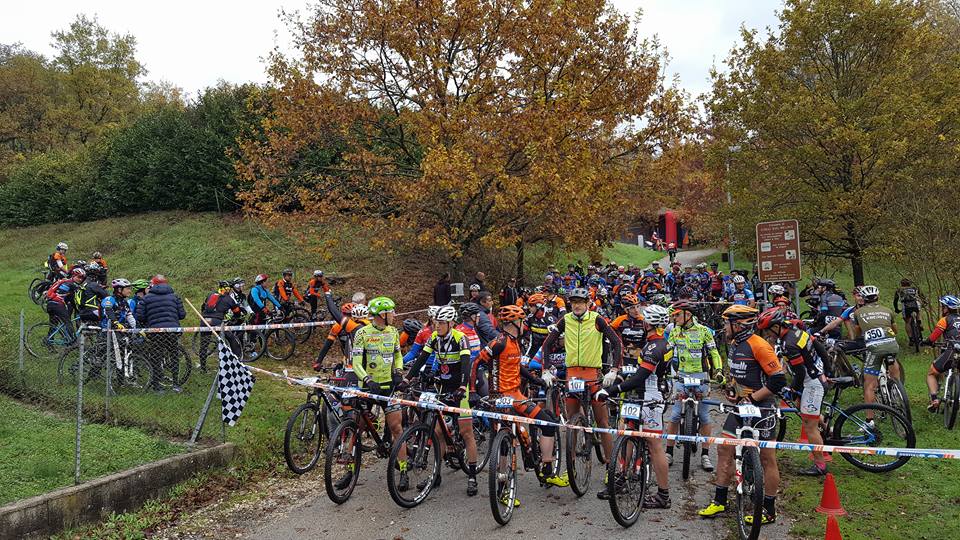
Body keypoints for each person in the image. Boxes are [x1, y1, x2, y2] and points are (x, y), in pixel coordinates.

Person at [698, 305, 786, 526]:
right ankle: (720, 500)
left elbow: (778, 381)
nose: (723, 327)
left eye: (726, 323)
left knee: (767, 458)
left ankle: (769, 509)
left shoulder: (759, 345)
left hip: (762, 407)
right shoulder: (735, 344)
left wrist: (753, 398)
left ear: (738, 325)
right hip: (741, 406)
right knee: (725, 448)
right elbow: (737, 373)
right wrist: (732, 388)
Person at [471, 305, 568, 492]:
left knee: (546, 422)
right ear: (515, 322)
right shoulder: (499, 342)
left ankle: (545, 470)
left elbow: (517, 366)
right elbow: (476, 362)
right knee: (511, 439)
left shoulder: (514, 341)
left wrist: (535, 380)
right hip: (502, 397)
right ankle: (505, 487)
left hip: (516, 395)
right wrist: (473, 391)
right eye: (522, 321)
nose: (524, 324)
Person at [540, 288, 622, 497]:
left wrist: (613, 369)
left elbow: (616, 342)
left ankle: (612, 469)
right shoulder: (565, 319)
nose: (576, 306)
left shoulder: (597, 319)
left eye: (580, 302)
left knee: (603, 423)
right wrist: (546, 369)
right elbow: (547, 344)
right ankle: (572, 467)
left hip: (593, 373)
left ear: (587, 303)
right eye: (573, 302)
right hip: (572, 375)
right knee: (571, 423)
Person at [594, 304, 672, 508]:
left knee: (654, 445)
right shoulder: (657, 342)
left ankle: (663, 495)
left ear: (650, 323)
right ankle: (621, 479)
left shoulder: (655, 347)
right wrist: (620, 375)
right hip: (640, 396)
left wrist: (611, 390)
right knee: (626, 435)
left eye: (645, 319)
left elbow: (640, 378)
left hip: (650, 399)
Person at [404, 305, 479, 495]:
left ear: (451, 323)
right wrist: (407, 379)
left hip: (459, 387)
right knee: (437, 433)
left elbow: (466, 365)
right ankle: (435, 475)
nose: (437, 326)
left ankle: (472, 475)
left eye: (441, 323)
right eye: (436, 322)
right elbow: (422, 358)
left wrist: (463, 387)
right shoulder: (434, 338)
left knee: (466, 432)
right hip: (442, 387)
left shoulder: (460, 338)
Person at [756, 307, 829, 476]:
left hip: (812, 384)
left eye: (767, 330)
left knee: (809, 426)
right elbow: (820, 349)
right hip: (818, 376)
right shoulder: (795, 329)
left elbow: (799, 373)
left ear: (776, 326)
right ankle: (828, 430)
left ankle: (820, 465)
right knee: (807, 412)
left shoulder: (789, 344)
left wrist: (794, 390)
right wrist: (828, 371)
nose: (767, 334)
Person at [350, 296, 407, 489]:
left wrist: (399, 372)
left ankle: (404, 471)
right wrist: (367, 379)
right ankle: (350, 471)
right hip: (368, 386)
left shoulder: (393, 332)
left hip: (389, 386)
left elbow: (398, 356)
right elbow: (356, 363)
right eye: (391, 311)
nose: (394, 315)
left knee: (397, 428)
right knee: (355, 428)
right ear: (382, 314)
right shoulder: (362, 333)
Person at [665, 300, 724, 472]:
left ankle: (705, 454)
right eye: (673, 315)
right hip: (682, 375)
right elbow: (668, 352)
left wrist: (719, 371)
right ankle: (668, 451)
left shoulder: (704, 331)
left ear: (688, 314)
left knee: (705, 417)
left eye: (677, 315)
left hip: (701, 376)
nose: (674, 318)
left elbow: (714, 352)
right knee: (675, 415)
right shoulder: (675, 331)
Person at [851, 285, 901, 421]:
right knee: (893, 360)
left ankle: (869, 420)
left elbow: (857, 333)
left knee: (869, 385)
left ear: (863, 299)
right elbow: (895, 330)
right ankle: (896, 387)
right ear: (877, 297)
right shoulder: (888, 310)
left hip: (874, 348)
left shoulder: (857, 313)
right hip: (892, 345)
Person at [137, 275, 187, 392]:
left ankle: (157, 386)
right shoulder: (175, 297)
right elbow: (182, 315)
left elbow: (140, 316)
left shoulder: (146, 299)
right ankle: (175, 384)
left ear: (152, 285)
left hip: (155, 332)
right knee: (174, 357)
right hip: (172, 332)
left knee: (156, 358)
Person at [922, 295, 960, 411]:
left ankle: (934, 399)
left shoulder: (945, 320)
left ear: (946, 308)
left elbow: (933, 337)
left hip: (952, 351)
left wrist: (926, 342)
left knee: (931, 373)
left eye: (943, 306)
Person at [313, 303, 369, 376]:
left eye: (350, 315)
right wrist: (318, 361)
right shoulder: (337, 327)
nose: (348, 317)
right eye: (346, 315)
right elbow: (327, 345)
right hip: (348, 357)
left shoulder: (360, 325)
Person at [198, 280, 244, 367]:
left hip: (204, 320)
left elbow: (203, 307)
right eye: (228, 289)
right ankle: (237, 361)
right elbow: (237, 312)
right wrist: (235, 318)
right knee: (231, 338)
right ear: (226, 289)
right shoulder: (229, 299)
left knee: (204, 344)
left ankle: (203, 367)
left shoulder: (210, 295)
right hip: (217, 321)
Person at [45, 268, 85, 339]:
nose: (80, 279)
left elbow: (71, 299)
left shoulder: (66, 281)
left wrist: (77, 309)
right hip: (57, 304)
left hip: (50, 304)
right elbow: (78, 297)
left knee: (54, 324)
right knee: (67, 321)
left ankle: (48, 340)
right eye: (79, 277)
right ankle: (73, 341)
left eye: (82, 278)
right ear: (73, 276)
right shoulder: (72, 284)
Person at [894, 279, 923, 345]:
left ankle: (911, 339)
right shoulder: (914, 288)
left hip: (906, 306)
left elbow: (895, 301)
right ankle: (919, 322)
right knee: (918, 311)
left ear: (901, 284)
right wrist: (925, 303)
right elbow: (922, 296)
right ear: (910, 283)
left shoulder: (899, 290)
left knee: (907, 322)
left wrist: (896, 309)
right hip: (915, 303)